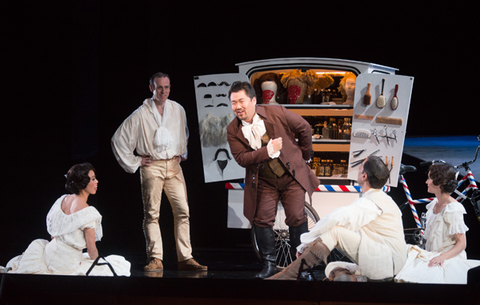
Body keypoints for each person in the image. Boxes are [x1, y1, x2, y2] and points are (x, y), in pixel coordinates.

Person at [111, 72, 206, 272]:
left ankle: (185, 257)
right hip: (152, 166)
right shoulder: (141, 113)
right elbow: (118, 139)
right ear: (151, 87)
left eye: (167, 87)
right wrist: (136, 160)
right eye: (160, 87)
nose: (164, 91)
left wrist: (182, 153)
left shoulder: (177, 109)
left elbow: (184, 132)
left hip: (173, 166)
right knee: (152, 214)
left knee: (183, 211)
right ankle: (155, 258)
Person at [226, 81, 320, 278]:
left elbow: (304, 127)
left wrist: (305, 155)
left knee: (296, 216)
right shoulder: (233, 130)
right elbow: (242, 159)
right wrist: (267, 151)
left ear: (253, 100)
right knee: (261, 219)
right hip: (264, 180)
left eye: (241, 101)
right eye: (233, 102)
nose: (237, 107)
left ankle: (300, 267)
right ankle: (269, 265)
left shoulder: (276, 112)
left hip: (290, 177)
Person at [268, 155, 407, 281]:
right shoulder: (385, 200)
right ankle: (354, 279)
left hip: (386, 263)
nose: (357, 170)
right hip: (392, 262)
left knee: (335, 231)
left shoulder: (369, 203)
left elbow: (334, 219)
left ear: (364, 176)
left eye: (359, 168)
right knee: (333, 266)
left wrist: (305, 243)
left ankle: (285, 277)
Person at [3, 163, 130, 276]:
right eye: (92, 179)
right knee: (119, 265)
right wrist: (98, 261)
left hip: (49, 253)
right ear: (83, 183)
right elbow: (92, 251)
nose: (97, 182)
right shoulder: (88, 212)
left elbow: (53, 233)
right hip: (66, 264)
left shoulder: (62, 200)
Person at [395, 164, 480, 284]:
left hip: (448, 258)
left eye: (429, 178)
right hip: (433, 255)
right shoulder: (434, 204)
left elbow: (462, 244)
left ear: (438, 183)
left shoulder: (452, 209)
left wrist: (441, 257)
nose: (426, 182)